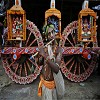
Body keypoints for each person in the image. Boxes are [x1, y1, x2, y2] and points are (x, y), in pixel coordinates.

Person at [37, 24, 65, 100]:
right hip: (44, 84)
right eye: (49, 34)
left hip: (53, 86)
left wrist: (45, 56)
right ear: (46, 36)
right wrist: (39, 56)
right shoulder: (45, 48)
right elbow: (39, 64)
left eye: (53, 32)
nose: (51, 35)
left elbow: (56, 69)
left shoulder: (59, 50)